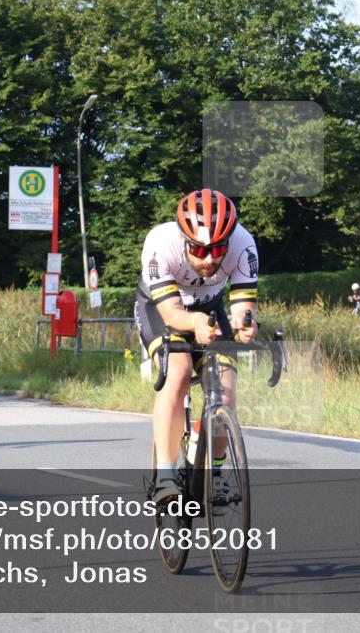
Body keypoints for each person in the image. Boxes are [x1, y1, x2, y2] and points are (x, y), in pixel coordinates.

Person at [134, 189, 258, 505]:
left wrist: (246, 324)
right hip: (161, 309)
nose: (210, 259)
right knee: (178, 370)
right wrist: (196, 324)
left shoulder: (244, 244)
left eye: (218, 249)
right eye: (200, 250)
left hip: (211, 306)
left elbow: (243, 304)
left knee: (225, 388)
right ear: (184, 240)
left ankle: (214, 476)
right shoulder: (160, 244)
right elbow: (173, 314)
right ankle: (164, 478)